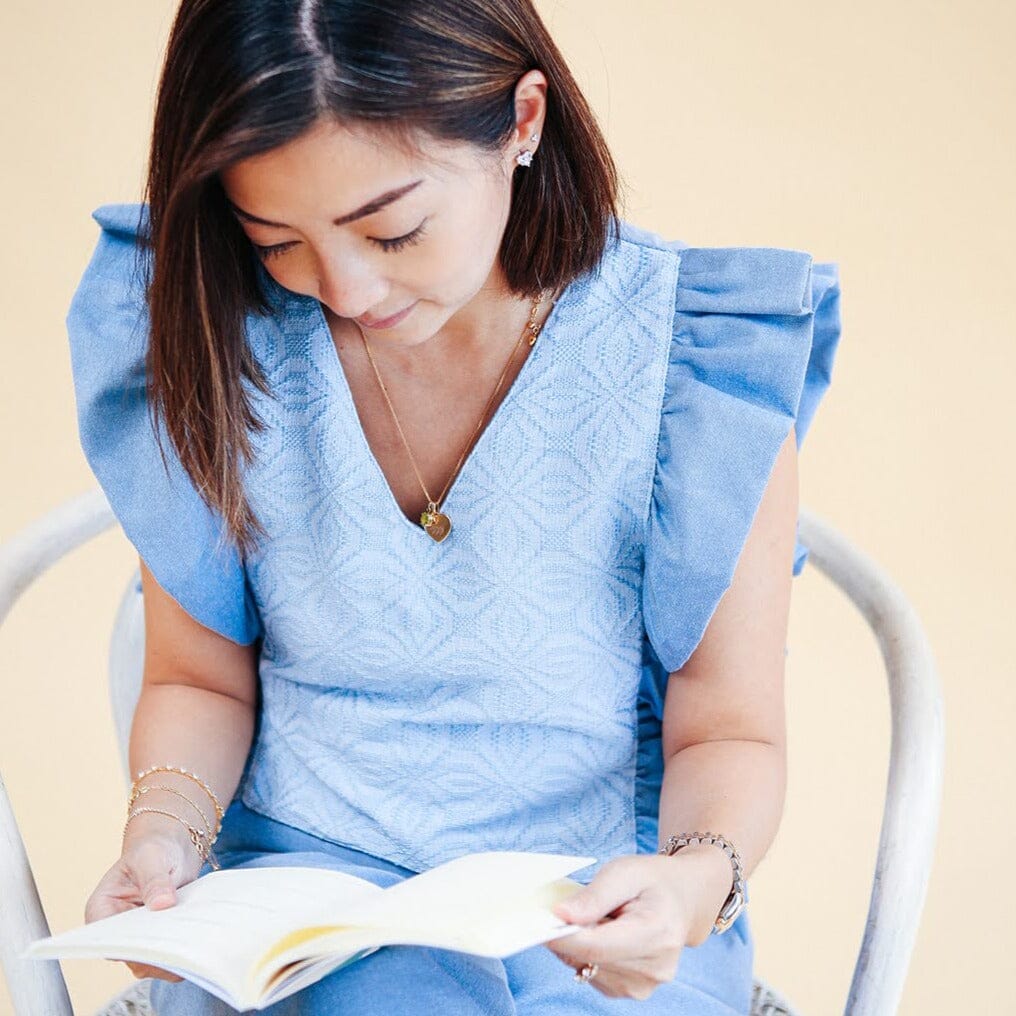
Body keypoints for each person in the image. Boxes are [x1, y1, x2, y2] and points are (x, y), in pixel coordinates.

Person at [70, 1, 842, 1013]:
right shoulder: (222, 337)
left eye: (391, 229)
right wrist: (162, 833)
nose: (342, 288)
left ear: (522, 122)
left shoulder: (690, 364)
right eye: (275, 240)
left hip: (597, 904)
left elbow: (728, 728)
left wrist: (693, 881)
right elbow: (198, 677)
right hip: (308, 906)